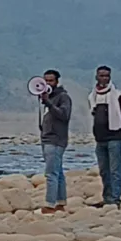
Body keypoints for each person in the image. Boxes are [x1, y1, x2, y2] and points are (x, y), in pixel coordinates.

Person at [91, 65, 121, 208]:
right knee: (104, 171)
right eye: (101, 76)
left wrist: (118, 129)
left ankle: (115, 199)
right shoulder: (93, 96)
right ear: (96, 77)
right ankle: (107, 198)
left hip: (114, 138)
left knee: (115, 170)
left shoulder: (118, 95)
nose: (104, 78)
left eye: (106, 76)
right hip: (100, 139)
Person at [37, 70, 72, 213]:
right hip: (47, 138)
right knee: (58, 172)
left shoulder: (63, 97)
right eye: (45, 81)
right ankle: (60, 202)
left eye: (51, 81)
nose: (47, 84)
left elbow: (64, 115)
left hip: (56, 139)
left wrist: (49, 103)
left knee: (51, 173)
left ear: (57, 82)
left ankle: (49, 204)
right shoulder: (46, 98)